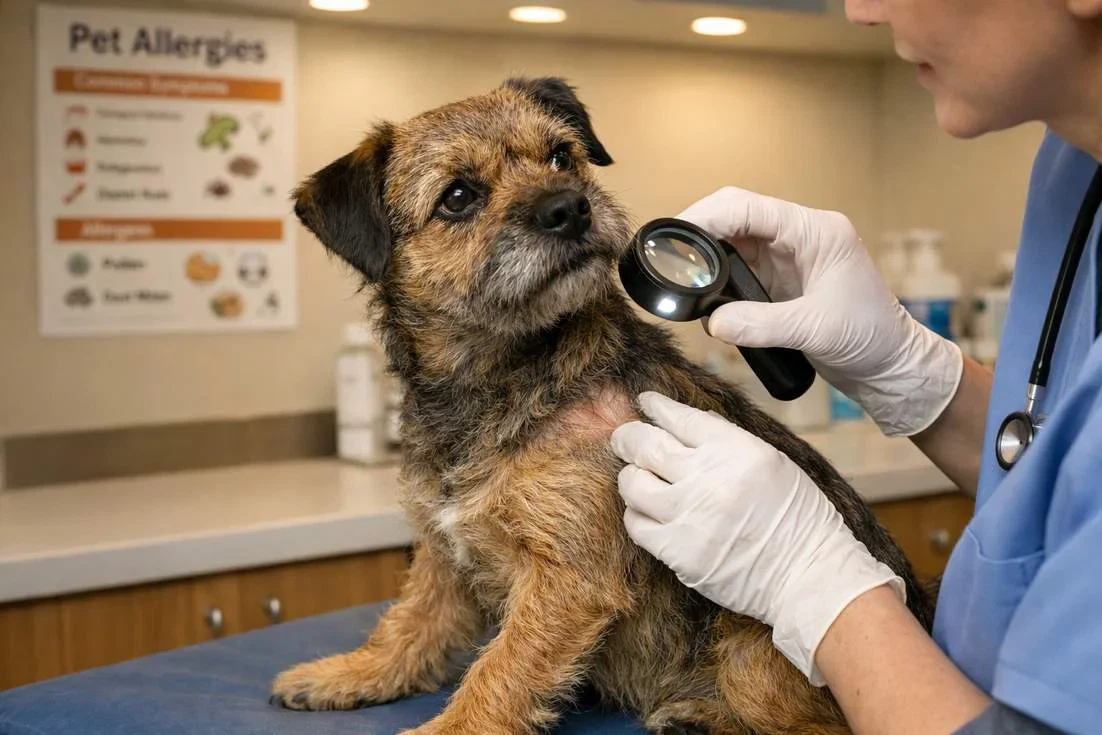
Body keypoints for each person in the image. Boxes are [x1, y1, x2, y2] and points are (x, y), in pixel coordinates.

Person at [610, 1, 1102, 733]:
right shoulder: (1077, 165)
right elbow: (1066, 485)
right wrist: (907, 372)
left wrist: (815, 582)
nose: (859, 9)